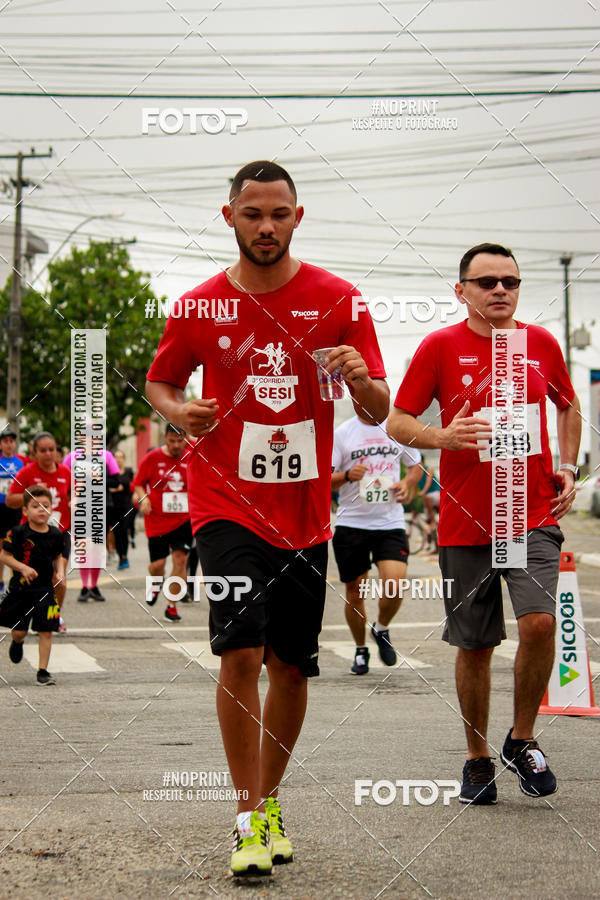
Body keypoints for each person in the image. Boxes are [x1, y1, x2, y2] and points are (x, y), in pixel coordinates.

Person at [145, 160, 388, 877]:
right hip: (222, 501)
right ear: (230, 218)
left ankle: (272, 799)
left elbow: (378, 411)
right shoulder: (197, 308)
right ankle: (247, 817)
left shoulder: (340, 300)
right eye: (252, 214)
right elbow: (162, 379)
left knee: (290, 666)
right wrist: (178, 410)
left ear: (298, 216)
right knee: (240, 650)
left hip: (306, 514)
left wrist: (361, 378)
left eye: (279, 213)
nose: (266, 226)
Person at [387, 242, 581, 805]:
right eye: (487, 281)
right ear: (462, 290)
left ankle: (521, 740)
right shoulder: (440, 345)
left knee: (541, 624)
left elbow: (567, 405)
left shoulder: (538, 343)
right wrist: (442, 437)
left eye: (511, 281)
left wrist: (567, 466)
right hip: (467, 519)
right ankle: (476, 757)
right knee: (474, 645)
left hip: (530, 512)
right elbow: (398, 421)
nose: (501, 290)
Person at [331, 413, 421, 674]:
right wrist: (347, 475)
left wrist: (407, 483)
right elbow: (326, 478)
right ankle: (360, 650)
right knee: (355, 592)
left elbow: (416, 465)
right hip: (352, 524)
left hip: (389, 522)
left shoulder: (396, 427)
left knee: (394, 583)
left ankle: (381, 629)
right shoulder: (343, 432)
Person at [0, 485, 69, 685]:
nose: (41, 510)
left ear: (52, 509)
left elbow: (58, 556)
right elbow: (4, 555)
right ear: (25, 511)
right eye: (35, 506)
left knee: (46, 630)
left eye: (45, 506)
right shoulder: (17, 532)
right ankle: (17, 641)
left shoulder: (57, 534)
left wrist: (60, 573)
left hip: (46, 591)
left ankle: (43, 671)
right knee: (20, 630)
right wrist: (22, 568)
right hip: (21, 590)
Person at [6, 432, 71, 623]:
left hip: (59, 532)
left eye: (51, 449)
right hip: (30, 535)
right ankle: (23, 618)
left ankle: (54, 616)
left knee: (58, 579)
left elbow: (74, 498)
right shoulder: (27, 472)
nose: (48, 454)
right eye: (43, 450)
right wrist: (30, 493)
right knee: (28, 581)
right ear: (34, 452)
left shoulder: (65, 473)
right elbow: (10, 500)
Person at [132, 424, 194, 621]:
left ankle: (172, 605)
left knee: (181, 560)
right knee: (158, 565)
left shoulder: (193, 453)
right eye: (172, 440)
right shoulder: (153, 458)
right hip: (157, 519)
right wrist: (144, 499)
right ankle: (155, 581)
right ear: (165, 438)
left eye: (180, 440)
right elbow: (138, 484)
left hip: (184, 518)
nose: (177, 445)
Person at [63, 445, 120, 601]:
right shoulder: (72, 456)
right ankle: (84, 585)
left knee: (96, 546)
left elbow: (116, 481)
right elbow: (63, 477)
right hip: (81, 505)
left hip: (101, 505)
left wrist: (99, 478)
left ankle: (93, 586)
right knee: (83, 544)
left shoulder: (106, 456)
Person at [0, 429, 25, 594]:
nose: (9, 445)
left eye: (11, 441)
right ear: (1, 444)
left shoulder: (21, 463)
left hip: (15, 509)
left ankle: (14, 582)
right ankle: (0, 582)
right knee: (1, 545)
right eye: (5, 441)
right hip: (0, 508)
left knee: (14, 545)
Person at [109, 450, 135, 570]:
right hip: (114, 507)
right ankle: (121, 557)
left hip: (126, 506)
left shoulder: (129, 472)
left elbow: (133, 486)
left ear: (124, 459)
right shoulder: (111, 473)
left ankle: (125, 556)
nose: (118, 459)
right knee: (116, 533)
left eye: (120, 457)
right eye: (116, 457)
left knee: (124, 531)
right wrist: (114, 489)